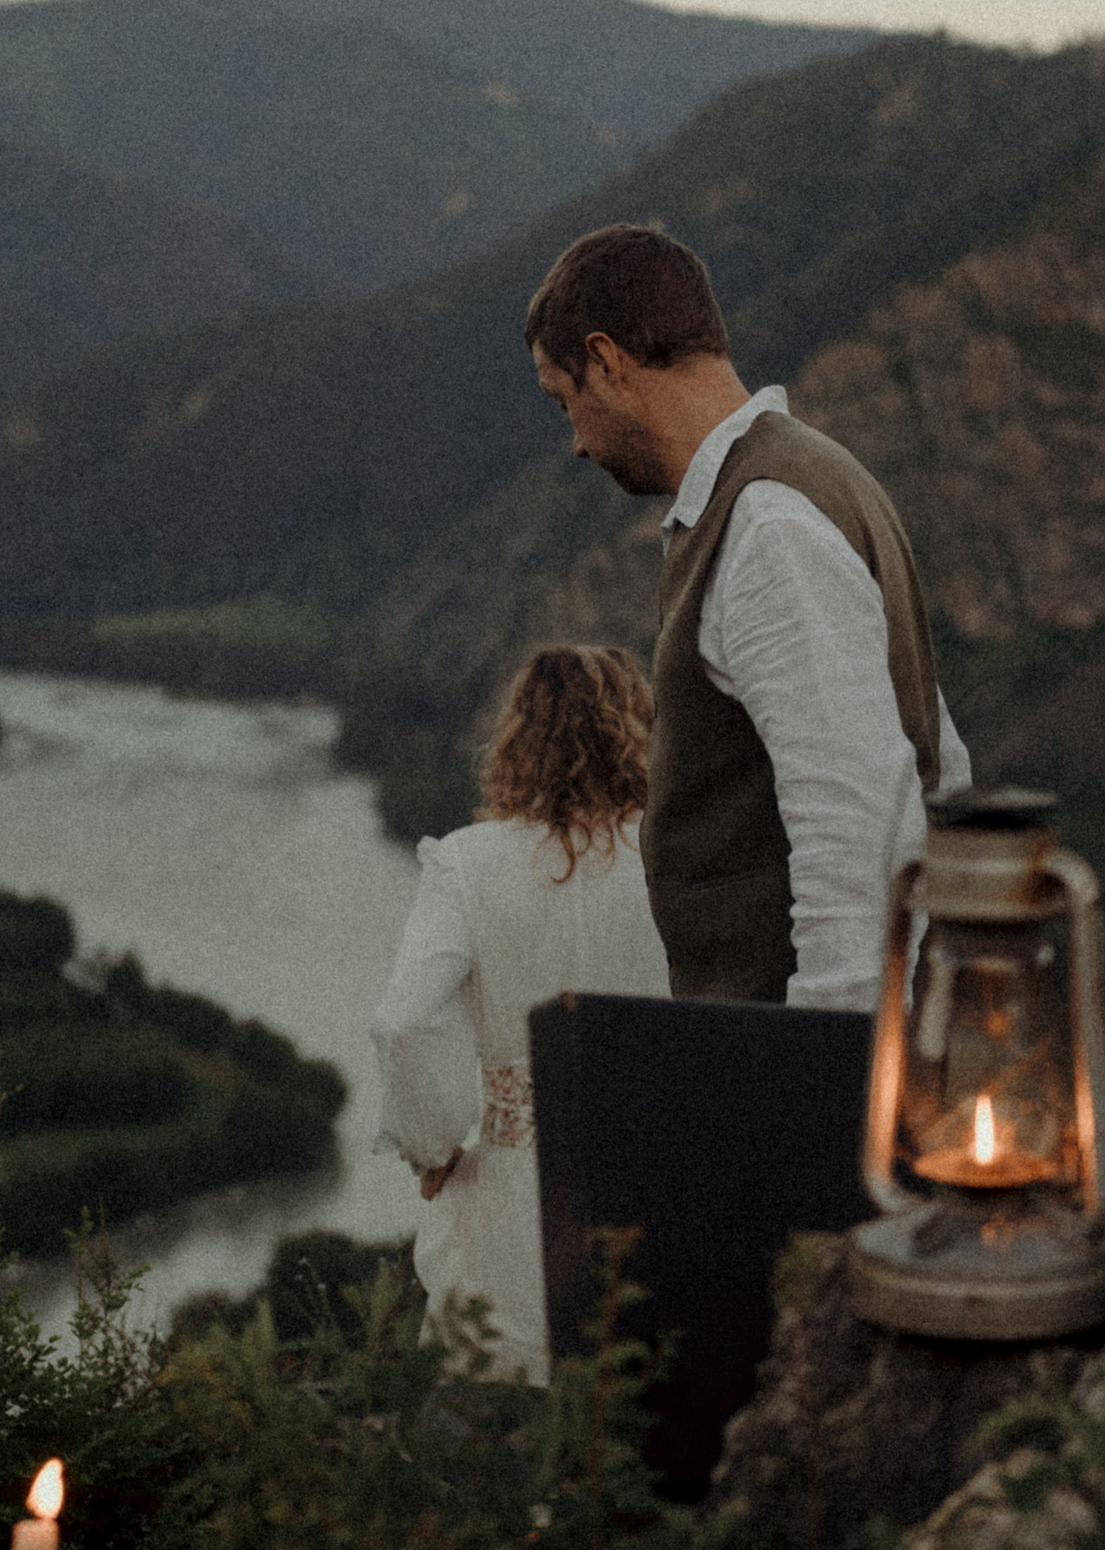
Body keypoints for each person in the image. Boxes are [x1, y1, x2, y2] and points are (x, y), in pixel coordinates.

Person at [525, 224, 971, 1012]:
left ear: (607, 360)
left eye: (567, 402)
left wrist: (826, 1064)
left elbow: (859, 822)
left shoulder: (767, 525)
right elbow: (937, 756)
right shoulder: (814, 476)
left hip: (799, 1061)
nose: (576, 444)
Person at [371, 645, 671, 1385]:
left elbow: (404, 1022)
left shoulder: (469, 865)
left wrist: (433, 1143)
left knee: (495, 1415)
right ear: (635, 731)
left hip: (514, 1197)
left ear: (516, 739)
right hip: (656, 1175)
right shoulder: (674, 858)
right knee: (635, 1397)